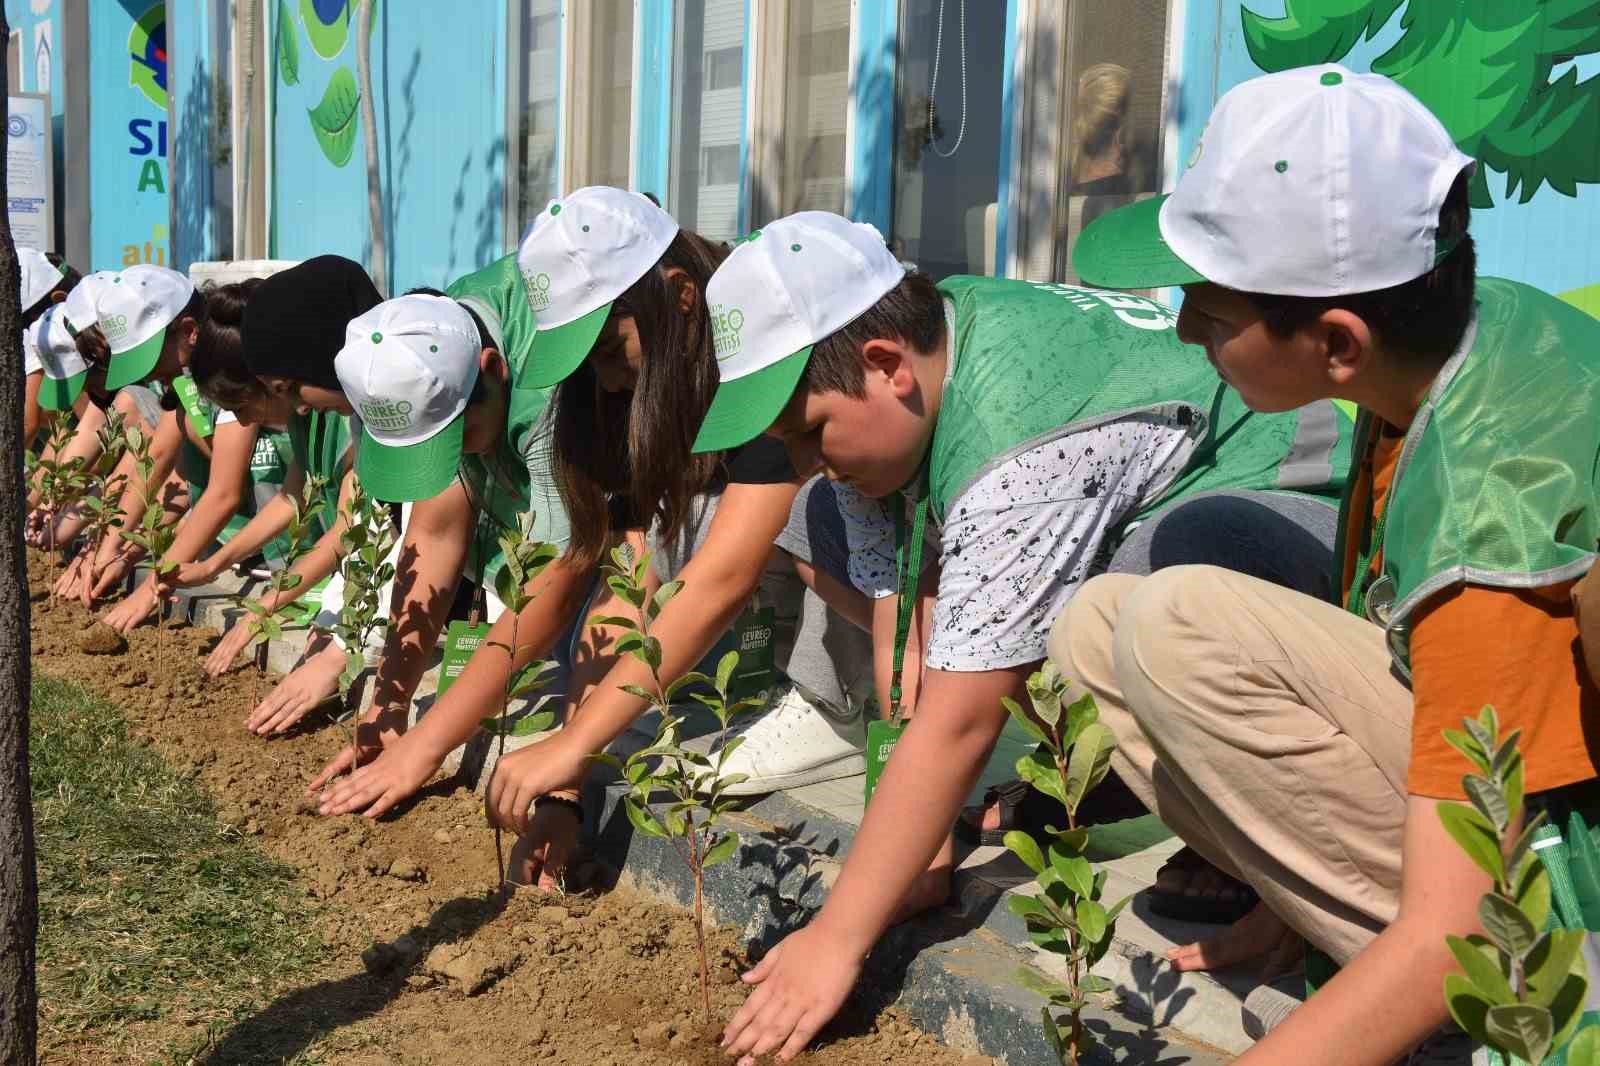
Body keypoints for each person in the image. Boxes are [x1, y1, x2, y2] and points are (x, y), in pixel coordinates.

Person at [680, 208, 1353, 1063]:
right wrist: (918, 844)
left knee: (1145, 604)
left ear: (886, 367)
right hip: (1143, 488)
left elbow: (961, 716)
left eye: (809, 433)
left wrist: (836, 938)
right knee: (824, 515)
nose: (808, 456)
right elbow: (902, 623)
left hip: (1296, 507)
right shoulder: (922, 340)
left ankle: (1253, 846)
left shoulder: (1020, 450)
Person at [1048, 66, 1600, 1064]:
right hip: (1524, 806)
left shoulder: (1492, 520)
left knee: (1179, 627)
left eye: (1209, 315)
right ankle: (1350, 937)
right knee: (1096, 626)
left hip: (1566, 910)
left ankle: (1523, 1011)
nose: (1181, 331)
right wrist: (1296, 894)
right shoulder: (1455, 346)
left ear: (1336, 341)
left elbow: (1454, 934)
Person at [314, 188, 872, 896]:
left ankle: (839, 711)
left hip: (917, 529)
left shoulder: (753, 340)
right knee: (675, 530)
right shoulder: (617, 391)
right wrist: (566, 790)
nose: (604, 378)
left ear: (680, 294)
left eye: (609, 348)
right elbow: (625, 571)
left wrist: (567, 743)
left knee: (809, 497)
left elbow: (720, 577)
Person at [95, 276, 294, 635]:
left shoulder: (236, 373)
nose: (149, 375)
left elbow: (222, 493)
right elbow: (164, 467)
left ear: (189, 331)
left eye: (150, 358)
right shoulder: (185, 385)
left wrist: (149, 589)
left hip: (277, 544)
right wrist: (114, 549)